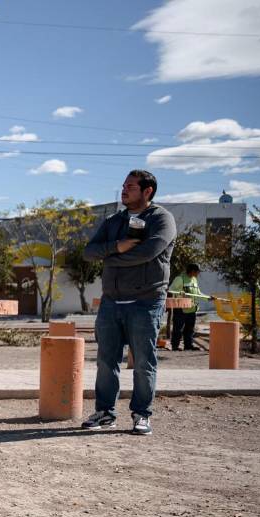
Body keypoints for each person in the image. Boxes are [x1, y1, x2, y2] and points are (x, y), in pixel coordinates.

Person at [82, 170, 176, 435]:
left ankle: (141, 415)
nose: (124, 190)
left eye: (131, 187)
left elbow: (148, 253)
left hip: (146, 302)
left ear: (148, 191)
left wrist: (110, 255)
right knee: (105, 361)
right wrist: (118, 246)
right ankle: (105, 413)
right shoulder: (114, 221)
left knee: (144, 362)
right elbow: (89, 252)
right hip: (112, 302)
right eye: (123, 185)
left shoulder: (162, 219)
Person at [167, 263, 208, 351]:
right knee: (178, 328)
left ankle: (188, 345)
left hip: (192, 308)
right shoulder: (180, 279)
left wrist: (208, 298)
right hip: (181, 308)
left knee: (190, 329)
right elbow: (170, 290)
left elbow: (197, 293)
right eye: (197, 272)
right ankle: (175, 346)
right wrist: (180, 293)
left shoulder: (194, 280)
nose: (198, 274)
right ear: (193, 271)